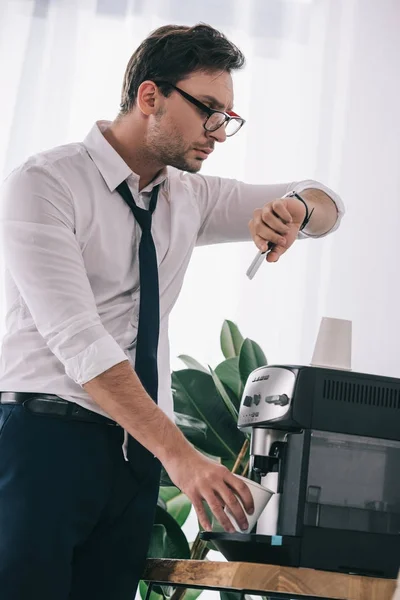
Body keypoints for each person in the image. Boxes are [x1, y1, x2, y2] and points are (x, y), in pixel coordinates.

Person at [0, 23, 344, 600]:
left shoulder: (191, 197)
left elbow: (328, 202)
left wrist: (295, 212)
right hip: (44, 442)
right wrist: (182, 460)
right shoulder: (45, 183)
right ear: (150, 96)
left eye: (228, 117)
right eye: (209, 109)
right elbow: (81, 342)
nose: (219, 133)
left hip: (134, 462)